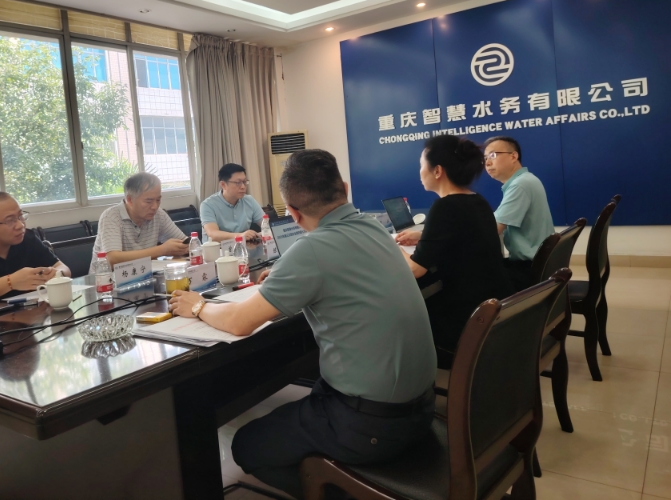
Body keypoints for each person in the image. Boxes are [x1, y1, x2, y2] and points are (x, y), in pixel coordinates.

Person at [169, 150, 436, 499]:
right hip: (421, 408)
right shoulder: (372, 227)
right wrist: (286, 274)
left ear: (293, 214)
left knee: (247, 446)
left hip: (373, 426)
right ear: (344, 188)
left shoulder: (311, 250)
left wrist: (198, 305)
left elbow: (238, 322)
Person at [396, 135, 513, 363]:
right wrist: (423, 239)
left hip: (468, 318)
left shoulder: (445, 207)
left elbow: (414, 270)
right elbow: (458, 237)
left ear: (437, 171)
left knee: (398, 318)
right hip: (492, 306)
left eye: (421, 166)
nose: (420, 172)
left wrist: (390, 246)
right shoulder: (476, 200)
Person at [483, 136, 555, 291]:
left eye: (493, 155)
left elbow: (492, 230)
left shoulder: (520, 185)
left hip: (530, 269)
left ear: (513, 156)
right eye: (485, 158)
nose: (487, 163)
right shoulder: (525, 180)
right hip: (540, 263)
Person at [89, 172, 188, 272]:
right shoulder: (111, 216)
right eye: (148, 201)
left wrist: (184, 247)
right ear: (130, 200)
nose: (155, 206)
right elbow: (113, 259)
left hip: (143, 276)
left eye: (158, 200)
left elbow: (186, 243)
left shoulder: (158, 214)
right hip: (106, 280)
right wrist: (162, 250)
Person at [199, 163, 265, 242]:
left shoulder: (249, 200)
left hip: (244, 247)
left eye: (244, 182)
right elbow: (213, 234)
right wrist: (240, 236)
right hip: (218, 248)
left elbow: (266, 224)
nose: (243, 186)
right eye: (238, 183)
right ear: (223, 185)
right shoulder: (208, 205)